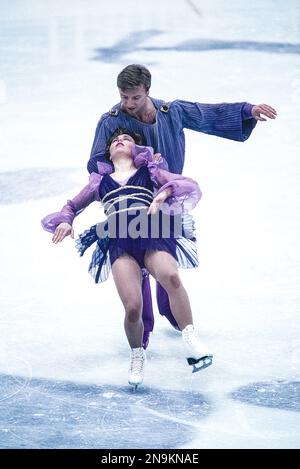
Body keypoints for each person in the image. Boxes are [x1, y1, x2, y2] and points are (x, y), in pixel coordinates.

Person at [41, 129, 212, 389]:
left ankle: (190, 338)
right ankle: (137, 354)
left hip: (152, 234)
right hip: (120, 242)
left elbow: (183, 183)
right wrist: (65, 221)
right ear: (108, 153)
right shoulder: (99, 182)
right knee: (133, 306)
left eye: (127, 139)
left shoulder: (151, 171)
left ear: (136, 149)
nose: (120, 141)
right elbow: (72, 205)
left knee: (171, 275)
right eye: (114, 141)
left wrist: (161, 195)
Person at [87, 64, 277, 175]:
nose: (129, 103)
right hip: (129, 201)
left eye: (135, 97)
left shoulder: (172, 112)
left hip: (170, 197)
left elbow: (208, 115)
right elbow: (96, 165)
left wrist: (247, 110)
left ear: (147, 91)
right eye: (123, 97)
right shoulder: (110, 122)